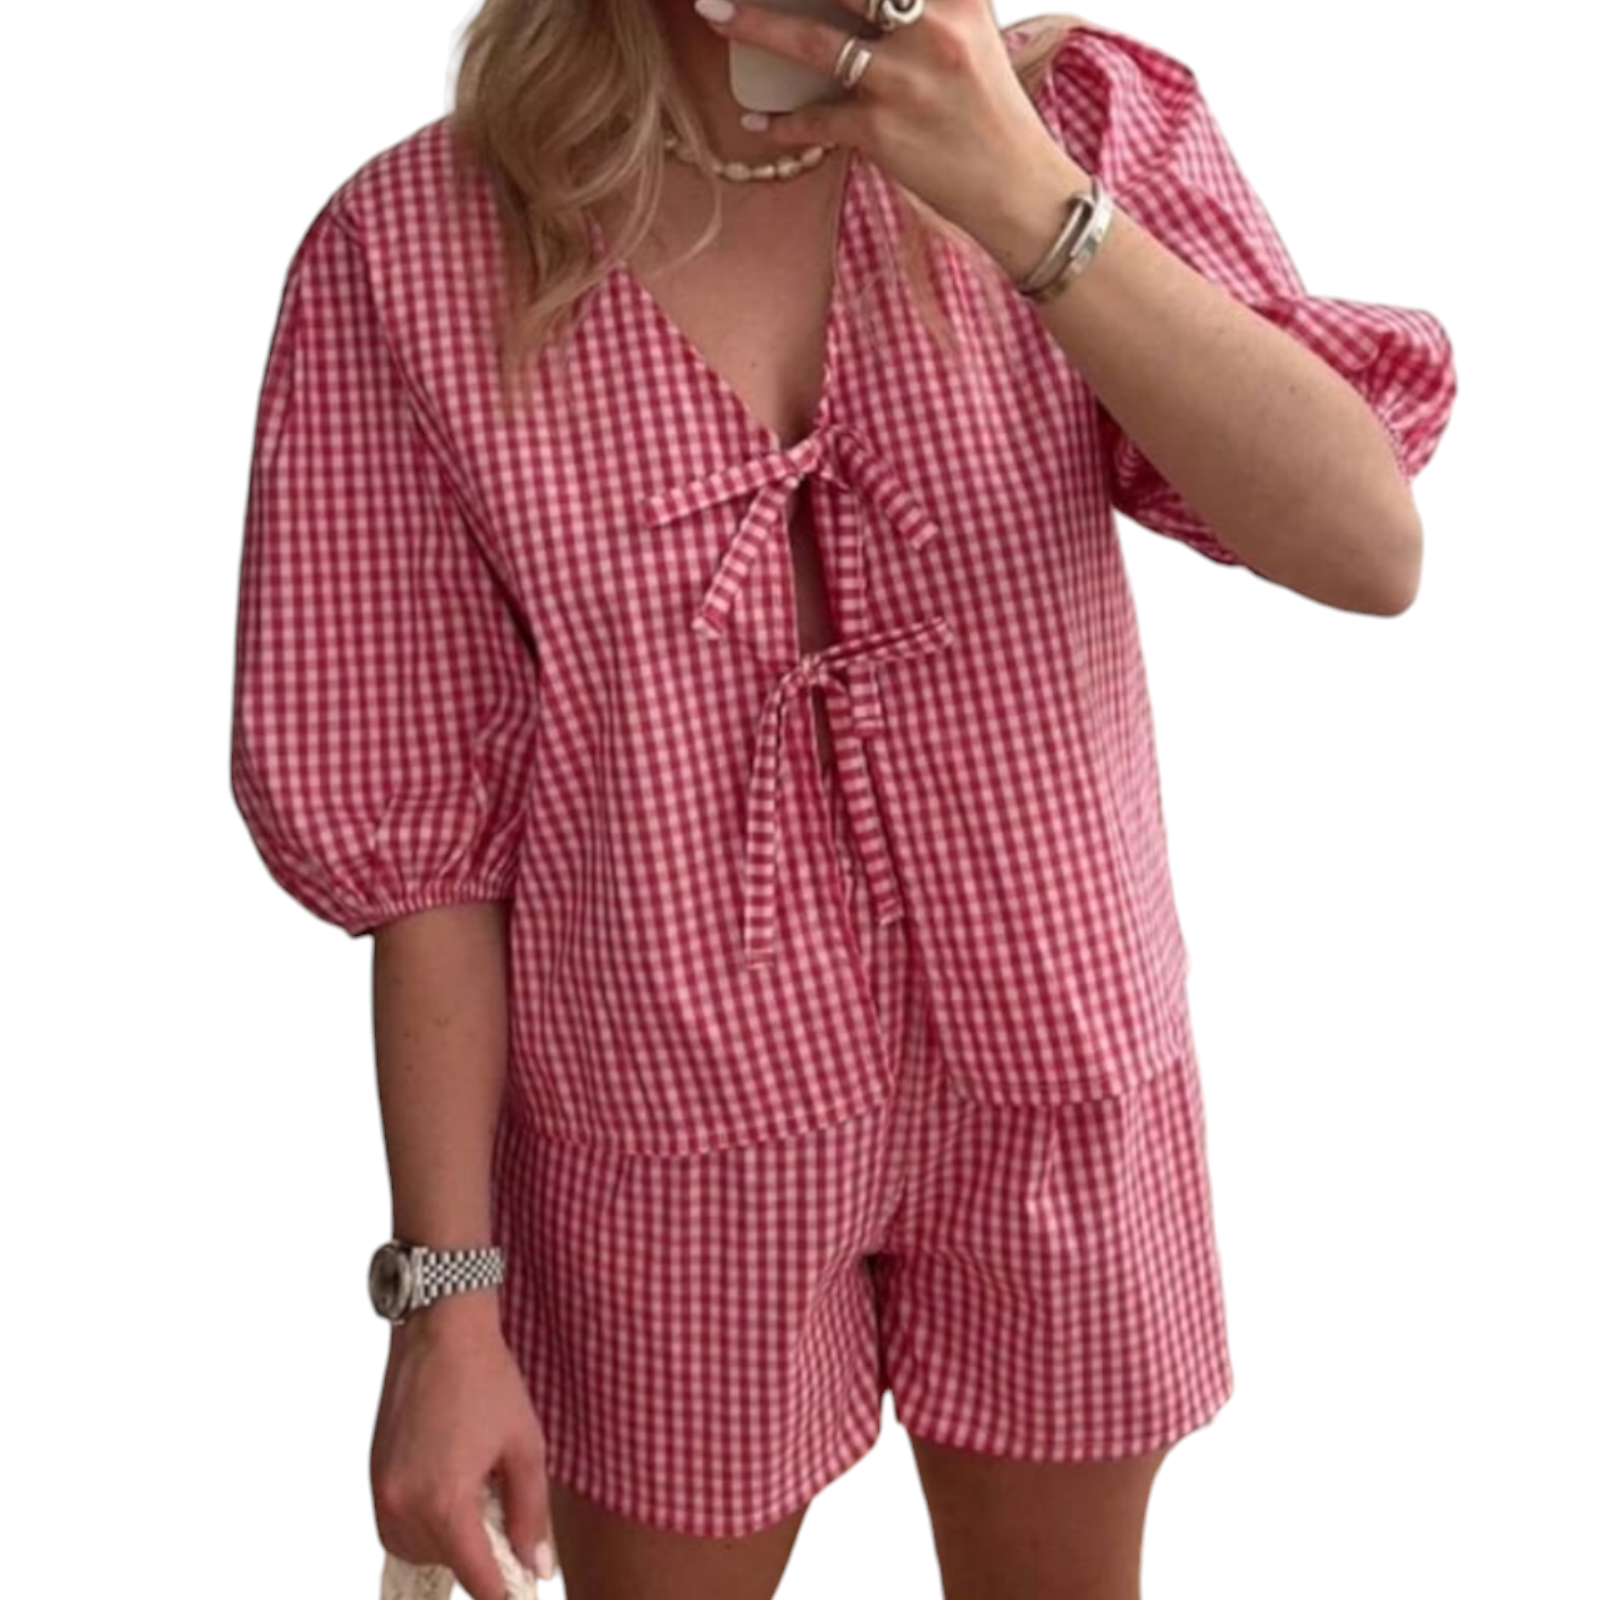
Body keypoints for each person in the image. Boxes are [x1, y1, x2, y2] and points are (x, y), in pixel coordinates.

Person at [229, 2, 1457, 1597]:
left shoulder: (1072, 123)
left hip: (1059, 1085)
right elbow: (429, 852)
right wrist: (445, 1303)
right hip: (661, 1135)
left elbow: (1368, 547)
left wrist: (1024, 200)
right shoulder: (408, 253)